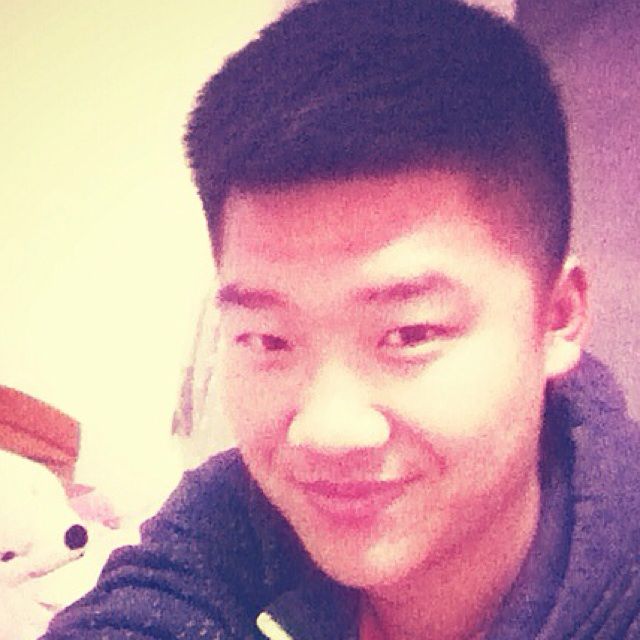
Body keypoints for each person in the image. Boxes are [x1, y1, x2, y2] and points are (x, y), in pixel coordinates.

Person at [43, 0, 640, 638]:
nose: (325, 432)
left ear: (558, 317)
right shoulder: (233, 523)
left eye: (409, 334)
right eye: (268, 339)